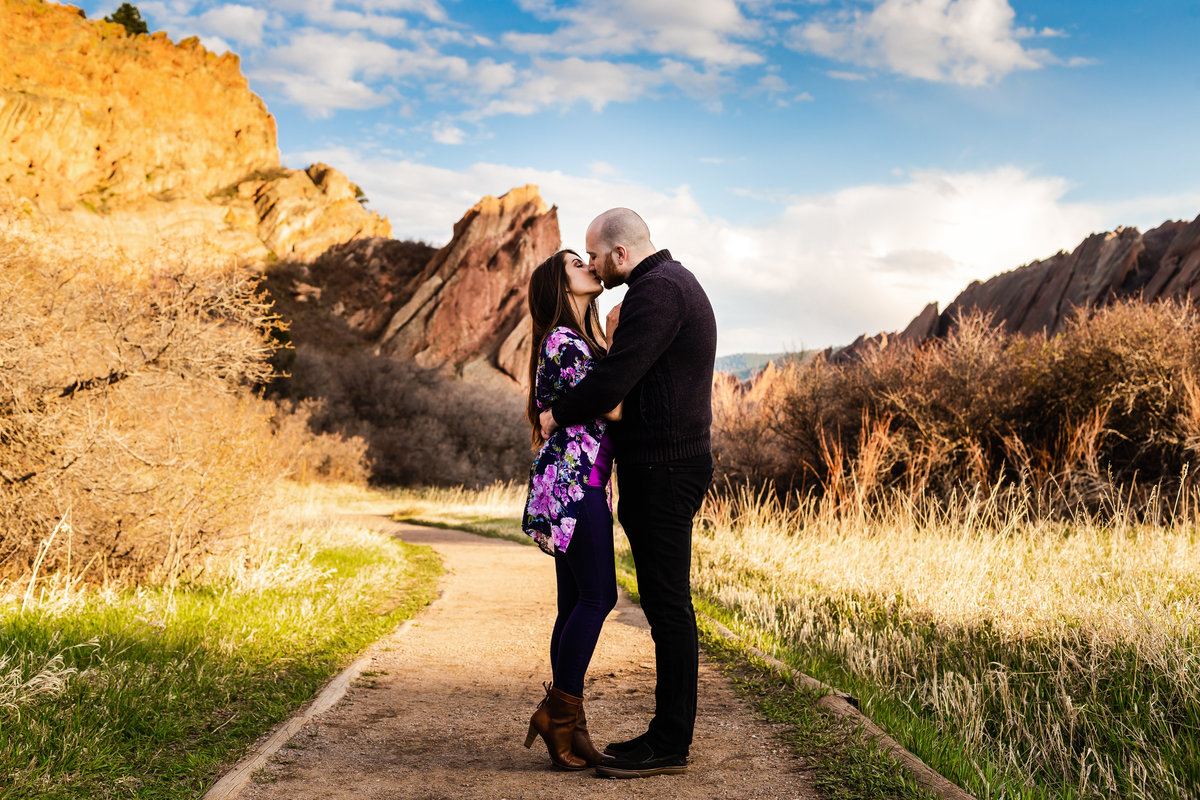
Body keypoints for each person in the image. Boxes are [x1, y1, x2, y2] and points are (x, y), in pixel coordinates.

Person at [539, 209, 717, 779]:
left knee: (667, 607)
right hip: (660, 468)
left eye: (593, 256)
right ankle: (658, 736)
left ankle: (668, 744)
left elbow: (614, 384)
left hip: (665, 471)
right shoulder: (669, 284)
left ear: (619, 254)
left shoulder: (657, 293)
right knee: (663, 606)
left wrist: (553, 415)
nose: (590, 265)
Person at [521, 248, 622, 770]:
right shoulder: (564, 342)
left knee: (575, 600)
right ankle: (560, 716)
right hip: (572, 483)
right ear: (560, 287)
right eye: (575, 263)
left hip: (578, 481)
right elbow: (614, 405)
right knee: (599, 595)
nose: (589, 265)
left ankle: (568, 723)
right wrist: (624, 337)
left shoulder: (579, 341)